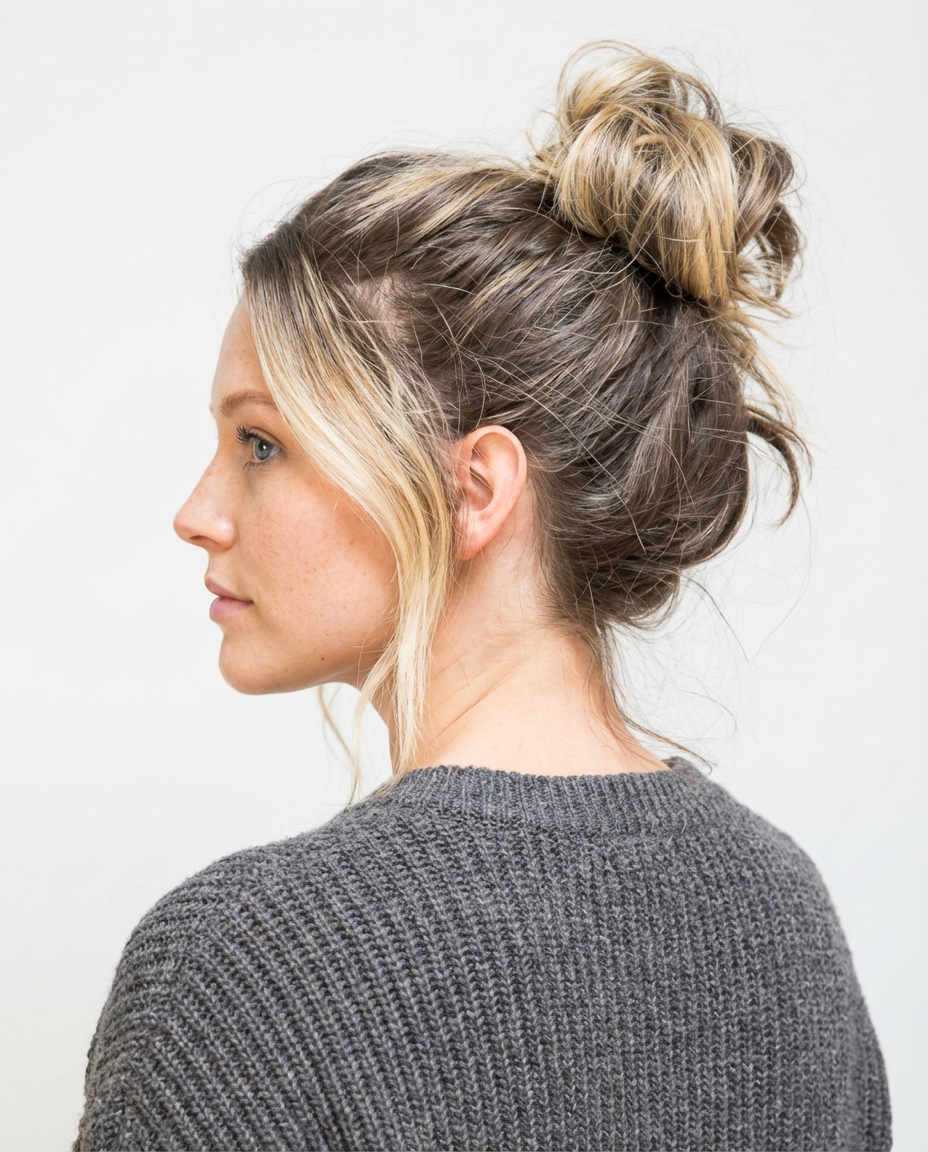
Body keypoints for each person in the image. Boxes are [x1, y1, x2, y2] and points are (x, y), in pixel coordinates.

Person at [73, 42, 891, 1152]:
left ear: (474, 489)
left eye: (261, 444)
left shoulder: (242, 972)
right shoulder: (781, 915)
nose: (198, 510)